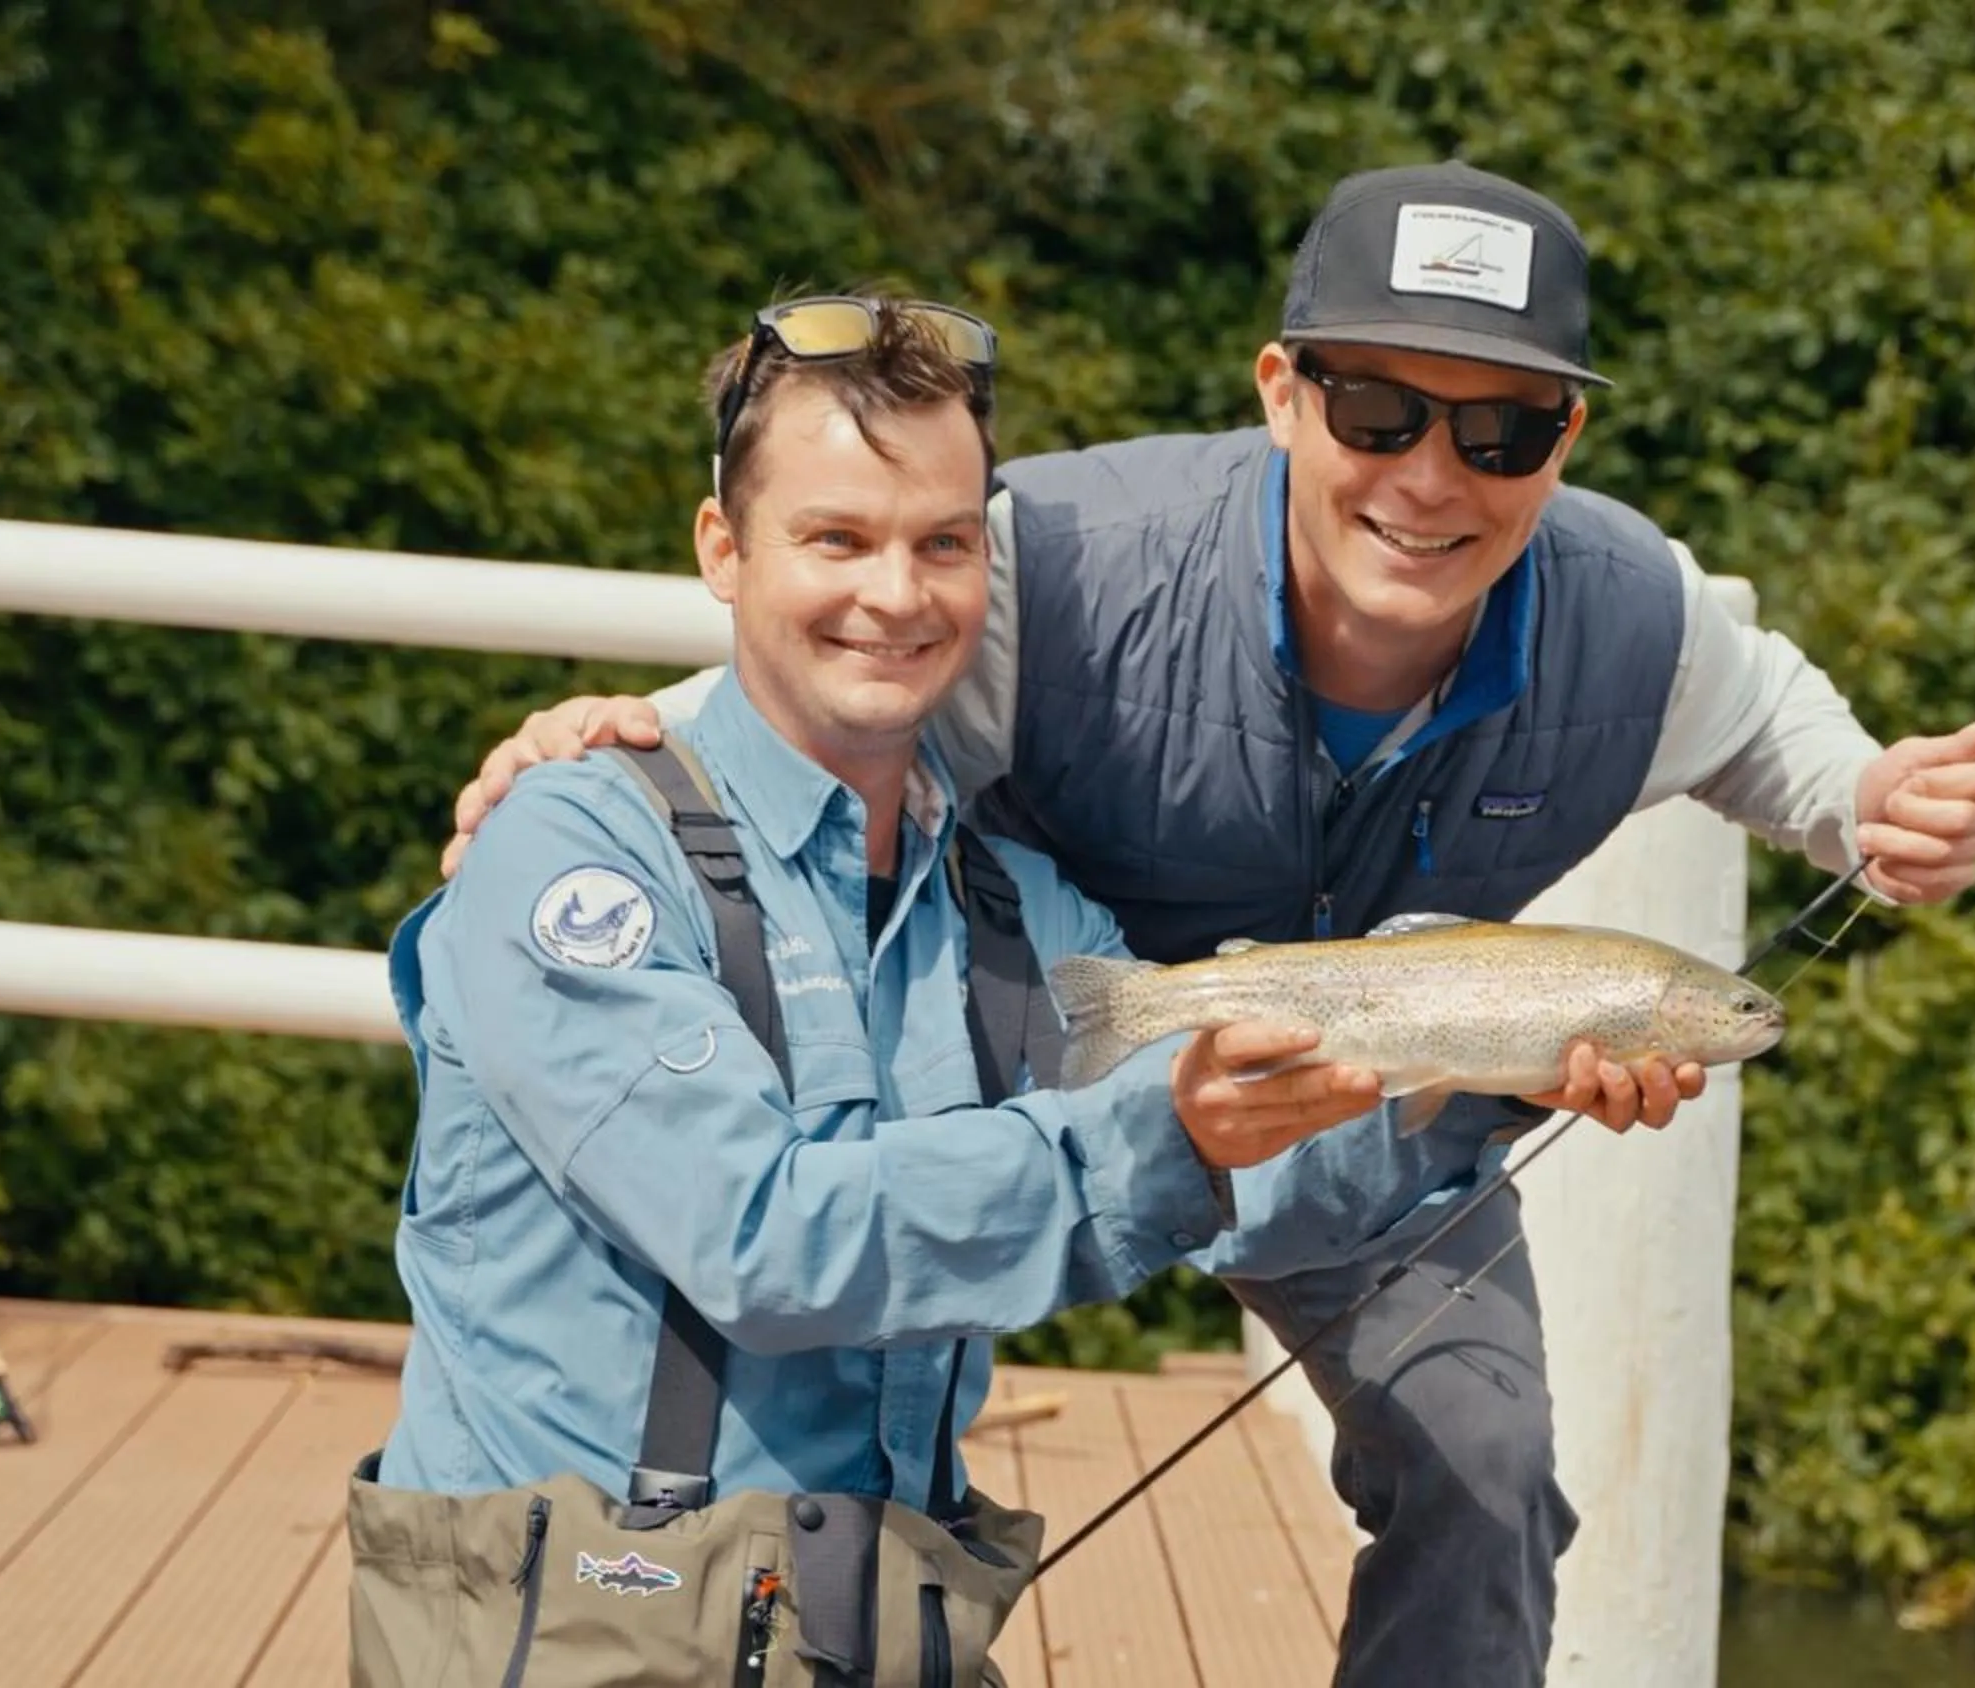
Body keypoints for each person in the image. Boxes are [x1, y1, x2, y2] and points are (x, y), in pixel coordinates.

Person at [440, 164, 1975, 1688]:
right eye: (1377, 410)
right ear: (1282, 393)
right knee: (815, 1353)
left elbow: (1783, 729)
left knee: (1489, 1468)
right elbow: (822, 681)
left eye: (1501, 430)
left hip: (1349, 1106)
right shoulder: (1046, 571)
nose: (1431, 476)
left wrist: (1871, 797)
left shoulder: (1633, 610)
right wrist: (618, 750)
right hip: (1076, 1029)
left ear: (1565, 440)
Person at [351, 293, 1534, 1685]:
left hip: (859, 1630)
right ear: (722, 550)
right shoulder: (576, 849)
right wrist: (1171, 1132)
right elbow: (759, 1243)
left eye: (944, 544)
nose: (898, 595)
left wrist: (1485, 1079)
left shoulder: (1010, 906)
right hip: (576, 1634)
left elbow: (1238, 1175)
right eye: (837, 540)